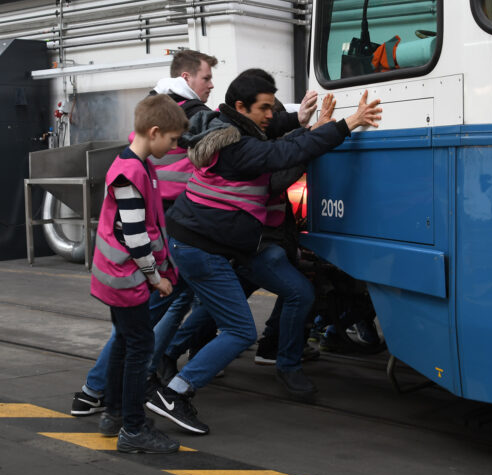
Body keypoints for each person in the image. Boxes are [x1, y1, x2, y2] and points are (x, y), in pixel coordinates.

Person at [146, 71, 382, 434]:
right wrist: (344, 124)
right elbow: (282, 153)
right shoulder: (235, 145)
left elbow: (279, 145)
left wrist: (312, 127)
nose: (272, 115)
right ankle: (168, 388)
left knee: (215, 307)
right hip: (202, 246)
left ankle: (153, 376)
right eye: (265, 108)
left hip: (218, 242)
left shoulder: (235, 130)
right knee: (236, 327)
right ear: (241, 107)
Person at [71, 50, 217, 416]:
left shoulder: (143, 161)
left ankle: (112, 407)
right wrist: (154, 276)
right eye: (206, 78)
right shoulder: (134, 170)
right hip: (129, 275)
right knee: (136, 343)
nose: (174, 149)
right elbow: (135, 233)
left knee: (140, 331)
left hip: (137, 268)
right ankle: (121, 412)